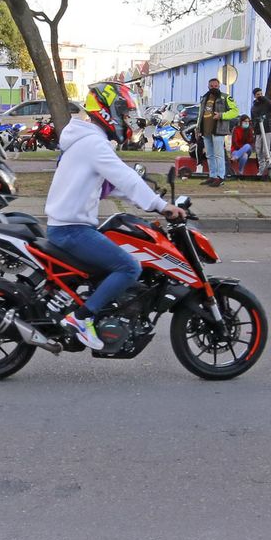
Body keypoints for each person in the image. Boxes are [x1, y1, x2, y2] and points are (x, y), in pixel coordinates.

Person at [44, 83, 185, 350]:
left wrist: (149, 199)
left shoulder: (86, 140)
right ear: (106, 111)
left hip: (69, 226)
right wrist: (161, 206)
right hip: (72, 230)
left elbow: (112, 184)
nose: (125, 119)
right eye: (122, 111)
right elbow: (125, 177)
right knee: (130, 267)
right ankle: (82, 318)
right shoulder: (94, 143)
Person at [196, 78, 238, 187]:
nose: (213, 88)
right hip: (206, 131)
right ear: (208, 86)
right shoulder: (204, 98)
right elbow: (201, 114)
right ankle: (212, 175)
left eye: (215, 86)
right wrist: (198, 128)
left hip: (218, 130)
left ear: (219, 86)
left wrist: (222, 115)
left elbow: (235, 111)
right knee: (209, 155)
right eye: (211, 86)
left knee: (219, 155)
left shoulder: (225, 97)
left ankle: (220, 177)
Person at [249, 88, 271, 156]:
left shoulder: (266, 102)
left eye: (261, 94)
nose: (260, 96)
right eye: (258, 94)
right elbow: (254, 119)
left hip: (267, 128)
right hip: (258, 130)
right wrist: (254, 127)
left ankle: (267, 163)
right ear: (255, 96)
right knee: (258, 148)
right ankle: (260, 163)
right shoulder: (254, 107)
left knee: (266, 149)